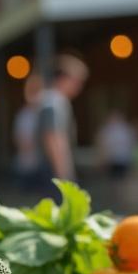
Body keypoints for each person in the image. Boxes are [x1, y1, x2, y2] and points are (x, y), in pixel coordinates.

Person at [35, 55, 89, 189]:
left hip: (52, 171)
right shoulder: (53, 102)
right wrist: (64, 175)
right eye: (77, 81)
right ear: (63, 79)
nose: (79, 87)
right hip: (53, 172)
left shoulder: (53, 101)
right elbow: (53, 138)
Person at [96, 110, 136, 180]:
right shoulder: (108, 130)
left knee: (120, 181)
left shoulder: (124, 130)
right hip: (112, 160)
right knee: (114, 181)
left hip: (122, 160)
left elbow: (132, 144)